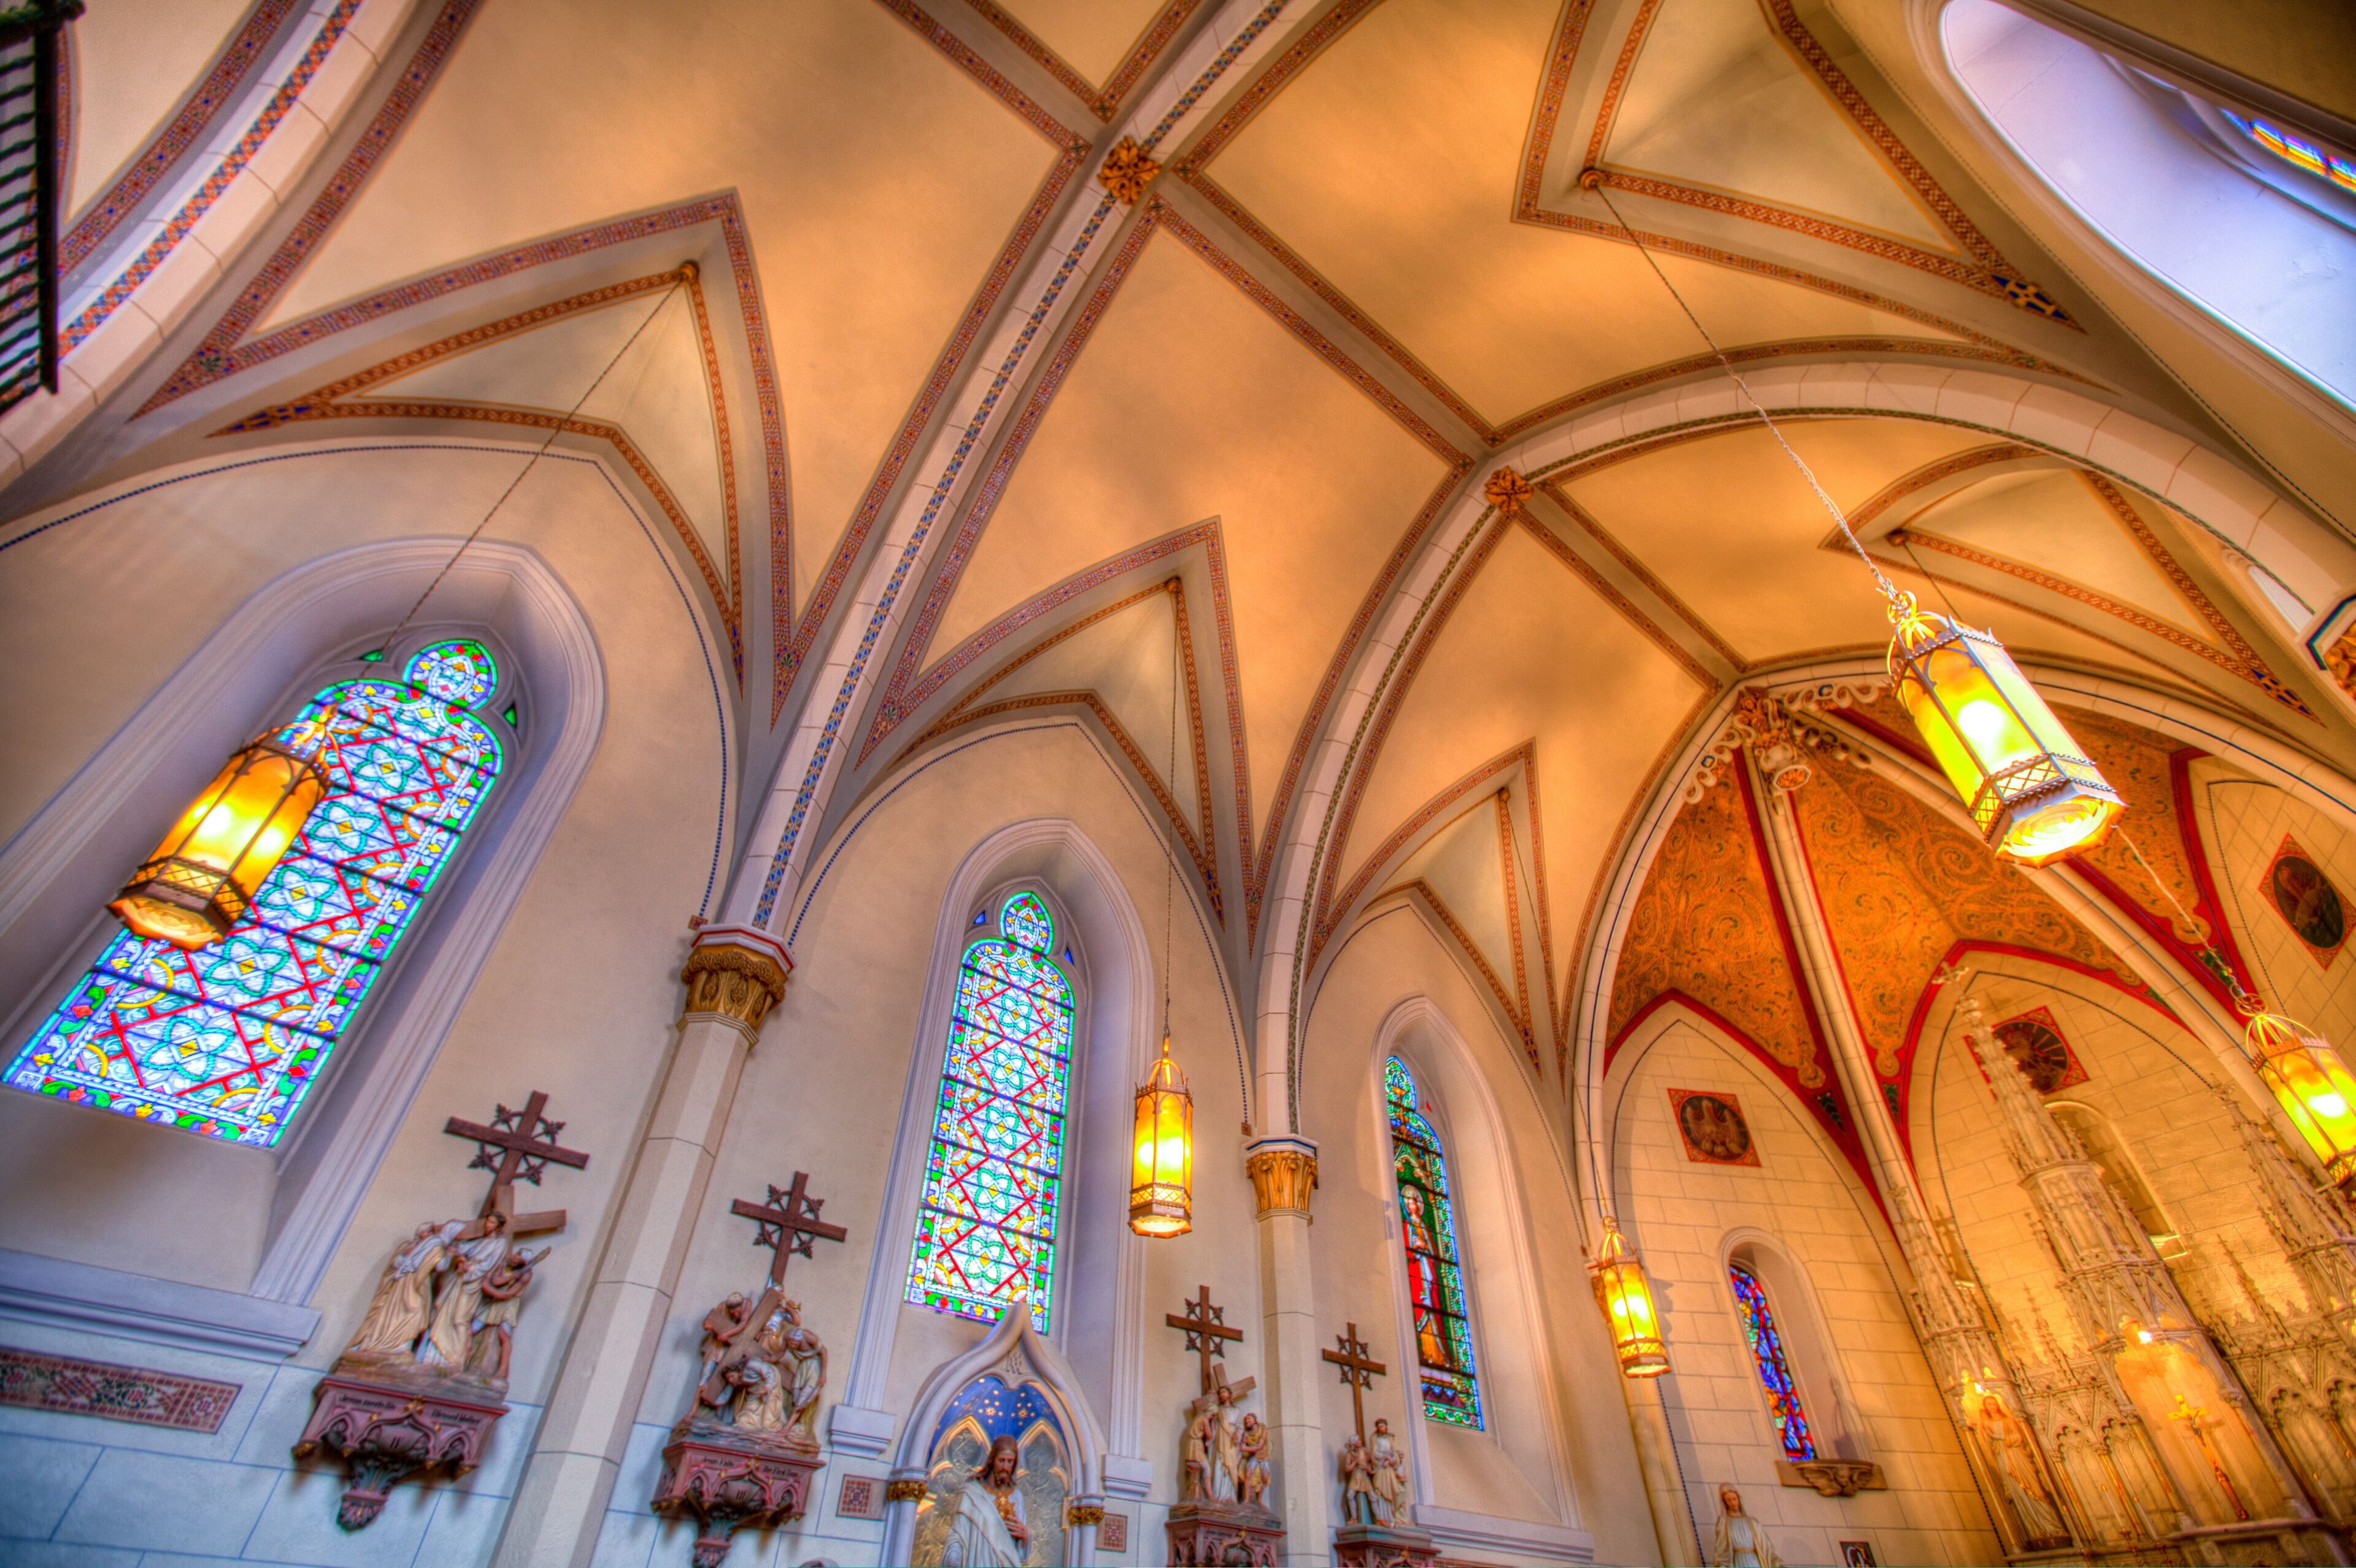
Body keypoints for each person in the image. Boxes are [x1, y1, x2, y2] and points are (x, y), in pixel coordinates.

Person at [344, 1220, 461, 1359]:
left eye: (430, 1232)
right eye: (428, 1232)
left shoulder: (433, 1245)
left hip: (418, 1282)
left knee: (414, 1312)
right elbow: (439, 1267)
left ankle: (401, 1345)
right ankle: (391, 1345)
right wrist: (448, 1255)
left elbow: (434, 1266)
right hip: (408, 1282)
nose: (429, 1235)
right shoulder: (433, 1246)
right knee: (408, 1311)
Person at [416, 1212, 511, 1370]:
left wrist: (469, 1268)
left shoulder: (500, 1244)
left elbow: (488, 1265)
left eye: (492, 1223)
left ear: (499, 1226)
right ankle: (434, 1356)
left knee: (460, 1319)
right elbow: (465, 1249)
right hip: (459, 1281)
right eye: (488, 1222)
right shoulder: (483, 1241)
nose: (488, 1226)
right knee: (442, 1313)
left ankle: (455, 1359)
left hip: (472, 1285)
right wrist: (455, 1251)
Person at [941, 1433, 1028, 1567]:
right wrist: (954, 1561)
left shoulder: (1017, 1496)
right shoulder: (971, 1493)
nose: (1005, 1467)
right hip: (977, 1561)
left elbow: (1020, 1554)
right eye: (1002, 1460)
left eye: (1010, 1462)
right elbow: (957, 1535)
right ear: (992, 1460)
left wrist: (1025, 1538)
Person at [462, 1245, 545, 1384]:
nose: (513, 1257)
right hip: (494, 1303)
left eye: (517, 1257)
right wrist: (510, 1277)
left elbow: (508, 1294)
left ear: (522, 1262)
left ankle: (503, 1370)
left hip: (508, 1306)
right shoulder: (505, 1264)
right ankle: (462, 1360)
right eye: (515, 1254)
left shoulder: (526, 1275)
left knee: (504, 1335)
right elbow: (495, 1281)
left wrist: (490, 1289)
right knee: (471, 1330)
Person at [1712, 1485, 1781, 1568]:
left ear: (1739, 1499)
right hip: (1737, 1562)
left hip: (1754, 1561)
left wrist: (1778, 1564)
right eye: (1729, 1500)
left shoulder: (1752, 1522)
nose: (1733, 1503)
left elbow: (1767, 1548)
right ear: (1725, 1503)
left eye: (1734, 1499)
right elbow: (1721, 1549)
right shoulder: (1724, 1523)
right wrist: (1721, 1565)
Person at [1368, 1416, 1409, 1525]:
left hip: (1389, 1469)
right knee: (1381, 1491)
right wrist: (1384, 1460)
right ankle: (1382, 1517)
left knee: (1393, 1490)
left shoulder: (1389, 1438)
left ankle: (1392, 1517)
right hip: (1381, 1468)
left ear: (1386, 1427)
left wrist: (1392, 1460)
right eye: (1380, 1427)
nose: (1382, 1428)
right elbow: (1374, 1454)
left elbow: (1394, 1453)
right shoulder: (1374, 1438)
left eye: (1383, 1426)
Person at [1338, 1434, 1379, 1528]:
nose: (1360, 1441)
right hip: (1356, 1475)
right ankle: (1354, 1518)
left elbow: (1369, 1461)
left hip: (1364, 1475)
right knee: (1350, 1495)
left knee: (1372, 1496)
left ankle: (1379, 1518)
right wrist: (1355, 1462)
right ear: (1354, 1443)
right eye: (1358, 1440)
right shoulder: (1350, 1454)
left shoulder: (1364, 1450)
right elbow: (1347, 1469)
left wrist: (1368, 1468)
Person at [1237, 1412, 1271, 1508]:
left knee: (1265, 1477)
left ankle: (1260, 1499)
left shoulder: (1262, 1428)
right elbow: (1242, 1445)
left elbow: (1259, 1446)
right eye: (1246, 1420)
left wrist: (1245, 1448)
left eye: (1250, 1419)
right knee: (1248, 1473)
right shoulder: (1247, 1434)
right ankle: (1247, 1498)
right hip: (1254, 1457)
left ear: (1255, 1420)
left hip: (1263, 1457)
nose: (1247, 1421)